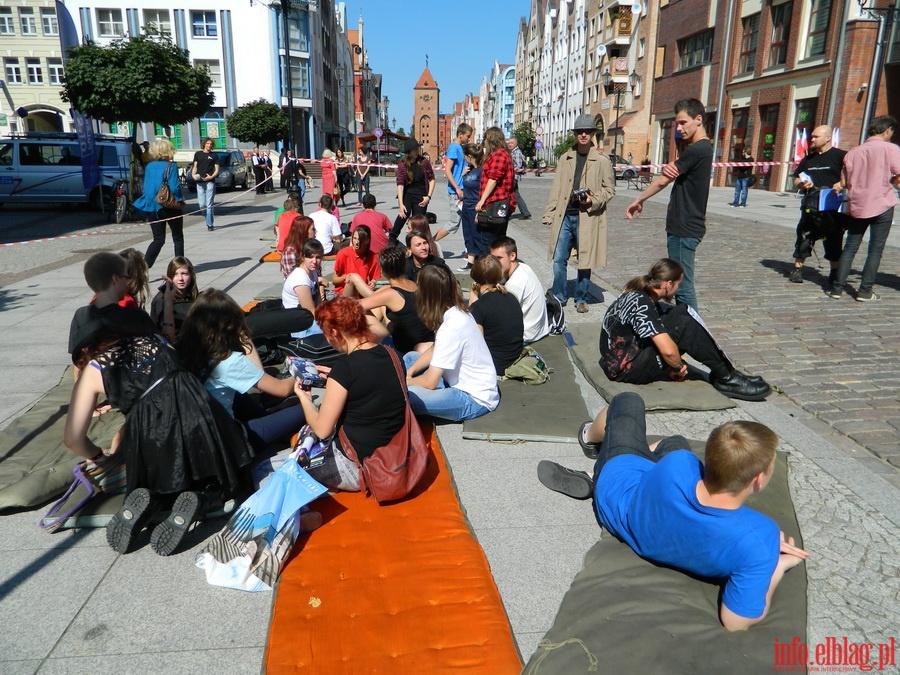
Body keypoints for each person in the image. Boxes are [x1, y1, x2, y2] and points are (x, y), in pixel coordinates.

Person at [536, 392, 808, 631]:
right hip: (639, 498)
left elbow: (664, 463)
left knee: (628, 402)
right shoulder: (758, 538)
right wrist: (775, 566)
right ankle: (597, 470)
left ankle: (589, 439)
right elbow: (736, 622)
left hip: (616, 484)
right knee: (671, 443)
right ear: (758, 480)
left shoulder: (680, 464)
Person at [66, 261, 253, 556]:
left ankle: (154, 500)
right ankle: (203, 499)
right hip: (199, 411)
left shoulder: (93, 368)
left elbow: (73, 438)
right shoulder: (154, 339)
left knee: (157, 470)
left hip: (151, 428)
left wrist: (101, 458)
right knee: (223, 476)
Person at [599, 258, 771, 401]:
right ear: (668, 284)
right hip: (627, 369)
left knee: (680, 312)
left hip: (620, 357)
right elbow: (668, 352)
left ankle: (728, 371)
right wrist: (677, 367)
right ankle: (726, 378)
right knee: (685, 325)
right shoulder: (643, 305)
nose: (678, 289)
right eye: (678, 285)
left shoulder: (638, 292)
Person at [293, 297, 408, 492]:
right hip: (399, 454)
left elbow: (322, 430)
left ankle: (307, 511)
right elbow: (369, 383)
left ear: (335, 332)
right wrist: (337, 379)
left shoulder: (346, 369)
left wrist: (304, 398)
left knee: (268, 469)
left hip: (360, 467)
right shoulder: (391, 354)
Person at [177, 289, 307, 456]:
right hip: (228, 444)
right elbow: (281, 389)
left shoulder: (181, 350)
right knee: (304, 408)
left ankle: (270, 420)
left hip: (195, 433)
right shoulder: (227, 361)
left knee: (239, 396)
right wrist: (304, 371)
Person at [626, 99, 713, 310]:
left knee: (681, 285)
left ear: (698, 119)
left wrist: (639, 199)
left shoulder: (697, 149)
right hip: (683, 225)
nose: (679, 128)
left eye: (683, 123)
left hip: (685, 226)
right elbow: (670, 172)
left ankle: (694, 329)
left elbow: (663, 180)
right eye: (677, 124)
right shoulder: (698, 149)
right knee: (680, 281)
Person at [404, 265, 499, 421]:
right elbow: (436, 349)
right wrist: (410, 371)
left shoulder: (451, 327)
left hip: (473, 398)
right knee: (410, 358)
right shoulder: (455, 312)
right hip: (454, 382)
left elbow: (430, 382)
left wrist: (405, 382)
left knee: (407, 397)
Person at [544, 114, 616, 313]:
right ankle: (559, 295)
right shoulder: (565, 157)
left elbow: (610, 189)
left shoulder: (601, 160)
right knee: (559, 258)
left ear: (593, 134)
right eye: (579, 132)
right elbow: (557, 188)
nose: (583, 135)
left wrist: (593, 199)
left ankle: (581, 298)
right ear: (575, 134)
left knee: (585, 259)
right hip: (564, 216)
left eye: (587, 131)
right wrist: (549, 214)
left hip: (588, 216)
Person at [828, 115, 900, 301]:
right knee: (875, 249)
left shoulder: (853, 152)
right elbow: (899, 175)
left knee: (851, 246)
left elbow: (844, 181)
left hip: (858, 204)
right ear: (887, 130)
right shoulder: (891, 149)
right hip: (882, 203)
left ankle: (837, 288)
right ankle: (865, 291)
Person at [788, 125, 846, 285]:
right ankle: (797, 269)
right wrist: (801, 184)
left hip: (831, 207)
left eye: (815, 137)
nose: (812, 139)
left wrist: (841, 184)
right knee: (804, 236)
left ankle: (834, 272)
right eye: (811, 137)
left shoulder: (841, 156)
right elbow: (796, 179)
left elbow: (851, 176)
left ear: (827, 138)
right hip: (810, 205)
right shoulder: (808, 159)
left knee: (833, 239)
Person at [359, 243, 435, 354]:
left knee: (361, 311)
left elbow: (353, 306)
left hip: (404, 350)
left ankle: (366, 346)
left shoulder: (391, 294)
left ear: (383, 270)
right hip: (423, 343)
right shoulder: (413, 284)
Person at [468, 255, 525, 375]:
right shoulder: (511, 297)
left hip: (495, 365)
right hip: (514, 357)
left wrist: (472, 299)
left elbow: (475, 343)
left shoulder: (479, 308)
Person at [133, 139, 186, 267]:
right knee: (178, 238)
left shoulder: (149, 166)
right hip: (169, 205)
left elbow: (146, 187)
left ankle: (144, 267)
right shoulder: (171, 166)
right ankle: (179, 266)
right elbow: (174, 187)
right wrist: (180, 199)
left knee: (158, 239)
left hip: (152, 206)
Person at [490, 236, 550, 343]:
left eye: (499, 258)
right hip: (538, 329)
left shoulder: (515, 285)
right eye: (492, 258)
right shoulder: (523, 266)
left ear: (512, 256)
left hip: (527, 335)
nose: (494, 263)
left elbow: (501, 317)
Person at [474, 127, 517, 242]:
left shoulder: (499, 155)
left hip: (496, 203)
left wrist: (482, 200)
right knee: (496, 241)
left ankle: (493, 260)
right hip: (496, 203)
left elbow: (493, 179)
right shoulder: (501, 154)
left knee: (489, 242)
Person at [434, 123, 474, 243]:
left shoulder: (460, 148)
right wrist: (457, 188)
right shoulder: (454, 148)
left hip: (462, 189)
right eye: (467, 136)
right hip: (456, 192)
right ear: (460, 134)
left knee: (469, 221)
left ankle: (470, 249)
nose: (469, 139)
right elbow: (447, 170)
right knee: (454, 223)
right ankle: (431, 242)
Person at [390, 138, 436, 240]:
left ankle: (416, 244)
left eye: (417, 149)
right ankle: (392, 239)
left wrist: (428, 197)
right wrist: (400, 204)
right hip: (408, 194)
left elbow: (432, 179)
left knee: (418, 223)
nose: (417, 151)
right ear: (408, 152)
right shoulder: (403, 164)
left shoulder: (424, 162)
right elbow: (400, 184)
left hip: (421, 195)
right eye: (414, 150)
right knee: (403, 215)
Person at [149, 256, 199, 341]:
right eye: (175, 274)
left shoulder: (196, 297)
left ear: (191, 275)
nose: (180, 279)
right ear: (170, 277)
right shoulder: (161, 299)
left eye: (184, 273)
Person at [332, 225, 381, 298]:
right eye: (354, 238)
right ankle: (376, 300)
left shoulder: (373, 256)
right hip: (344, 292)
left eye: (360, 239)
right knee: (353, 277)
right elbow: (334, 280)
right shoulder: (343, 253)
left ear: (367, 240)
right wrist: (345, 277)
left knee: (386, 289)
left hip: (361, 293)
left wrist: (373, 282)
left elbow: (374, 278)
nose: (356, 242)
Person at [282, 238, 327, 315]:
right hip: (296, 319)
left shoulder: (313, 272)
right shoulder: (301, 280)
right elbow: (311, 313)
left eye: (318, 257)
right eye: (310, 257)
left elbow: (319, 301)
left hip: (304, 315)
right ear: (302, 257)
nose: (314, 261)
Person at [458, 143, 485, 269]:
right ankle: (470, 262)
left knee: (477, 236)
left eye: (464, 156)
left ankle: (482, 262)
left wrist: (480, 210)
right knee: (467, 234)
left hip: (476, 207)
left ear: (469, 156)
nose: (464, 158)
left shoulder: (482, 170)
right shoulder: (469, 169)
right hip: (466, 205)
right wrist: (463, 175)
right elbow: (466, 186)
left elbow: (484, 190)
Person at [191, 138, 219, 232]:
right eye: (208, 143)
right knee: (202, 205)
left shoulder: (214, 156)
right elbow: (195, 167)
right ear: (204, 144)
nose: (209, 145)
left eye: (211, 144)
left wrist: (211, 177)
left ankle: (209, 224)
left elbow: (217, 169)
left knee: (209, 204)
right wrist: (193, 175)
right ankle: (207, 216)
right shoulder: (198, 154)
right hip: (200, 182)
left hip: (210, 181)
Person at [508, 136, 532, 219]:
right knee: (516, 195)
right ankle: (525, 213)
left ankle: (506, 213)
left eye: (512, 143)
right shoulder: (512, 152)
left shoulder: (517, 153)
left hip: (514, 177)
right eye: (509, 143)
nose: (510, 144)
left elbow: (518, 166)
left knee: (508, 194)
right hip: (512, 176)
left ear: (516, 143)